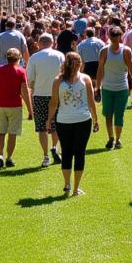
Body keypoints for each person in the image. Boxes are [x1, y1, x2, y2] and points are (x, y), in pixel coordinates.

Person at [47, 52, 99, 196]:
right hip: (82, 120)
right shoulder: (85, 79)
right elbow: (91, 102)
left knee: (67, 152)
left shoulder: (58, 80)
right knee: (80, 153)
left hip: (63, 120)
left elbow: (53, 103)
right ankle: (76, 188)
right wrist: (96, 119)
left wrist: (49, 120)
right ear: (80, 64)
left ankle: (67, 184)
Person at [0, 48, 32, 169]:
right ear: (18, 59)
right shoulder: (21, 71)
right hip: (15, 106)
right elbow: (25, 92)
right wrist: (30, 109)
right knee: (12, 134)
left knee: (0, 133)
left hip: (0, 105)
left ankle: (0, 157)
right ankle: (9, 158)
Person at [26, 33, 64, 166]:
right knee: (56, 125)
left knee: (42, 127)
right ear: (52, 43)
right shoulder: (60, 56)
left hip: (40, 94)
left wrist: (32, 91)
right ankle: (54, 147)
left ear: (39, 43)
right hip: (57, 94)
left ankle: (46, 155)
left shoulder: (34, 58)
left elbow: (30, 79)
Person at [95, 26, 132, 149]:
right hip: (107, 88)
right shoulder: (104, 51)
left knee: (119, 115)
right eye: (112, 36)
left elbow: (131, 68)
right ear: (109, 36)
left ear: (120, 37)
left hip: (122, 88)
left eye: (116, 36)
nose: (113, 38)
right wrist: (97, 86)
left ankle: (117, 139)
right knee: (108, 115)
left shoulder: (126, 51)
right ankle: (111, 138)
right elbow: (100, 70)